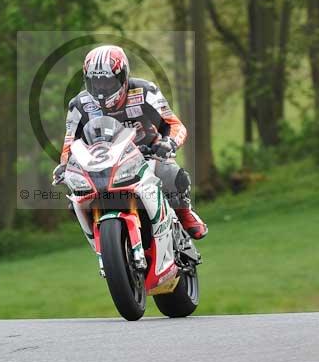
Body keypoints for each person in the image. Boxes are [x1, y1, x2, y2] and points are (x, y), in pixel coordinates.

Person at [53, 44, 208, 241]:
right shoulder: (79, 104)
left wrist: (168, 143)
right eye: (95, 83)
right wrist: (65, 165)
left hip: (146, 154)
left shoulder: (145, 91)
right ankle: (103, 241)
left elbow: (174, 124)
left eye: (107, 83)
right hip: (101, 164)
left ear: (123, 77)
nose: (101, 90)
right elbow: (70, 142)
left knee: (173, 174)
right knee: (76, 198)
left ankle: (185, 213)